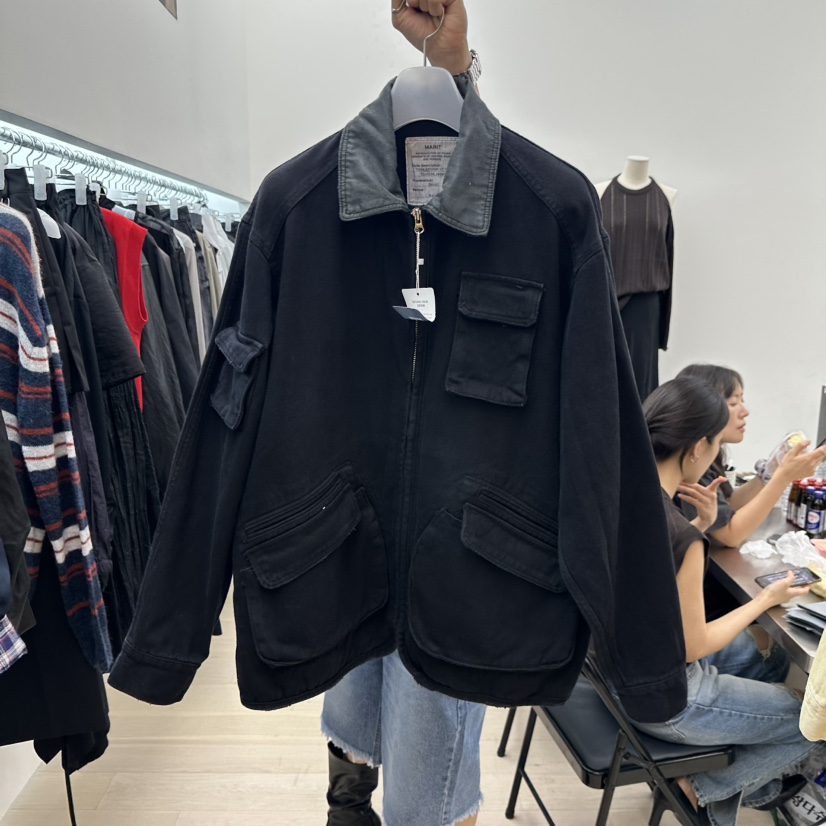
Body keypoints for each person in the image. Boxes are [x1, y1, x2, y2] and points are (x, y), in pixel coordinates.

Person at [322, 3, 487, 826]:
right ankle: (350, 799)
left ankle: (360, 799)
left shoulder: (540, 209)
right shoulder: (309, 206)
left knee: (430, 722)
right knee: (362, 672)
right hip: (356, 502)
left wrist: (454, 67)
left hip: (460, 526)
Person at [636, 376, 826, 825]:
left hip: (622, 675)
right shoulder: (680, 536)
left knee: (769, 658)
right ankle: (698, 789)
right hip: (665, 699)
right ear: (696, 448)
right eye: (717, 443)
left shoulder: (628, 499)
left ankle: (754, 784)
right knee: (812, 722)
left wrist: (700, 527)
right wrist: (767, 599)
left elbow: (652, 574)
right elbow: (694, 646)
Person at [674, 363, 826, 546]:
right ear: (704, 409)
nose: (745, 412)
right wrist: (783, 477)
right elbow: (730, 535)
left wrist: (768, 474)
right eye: (733, 403)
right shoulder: (693, 461)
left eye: (742, 401)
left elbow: (728, 505)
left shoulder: (710, 454)